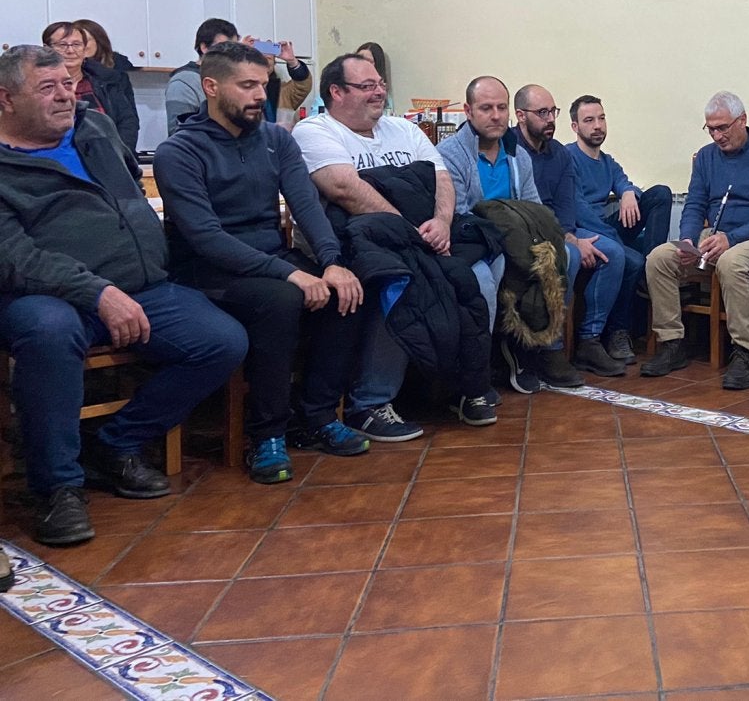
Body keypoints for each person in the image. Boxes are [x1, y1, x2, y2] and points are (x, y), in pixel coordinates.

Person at [0, 45, 246, 546]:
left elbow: (131, 187)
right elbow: (15, 257)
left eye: (68, 83)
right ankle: (57, 488)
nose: (66, 96)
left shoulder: (95, 127)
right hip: (43, 296)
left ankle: (116, 444)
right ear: (5, 99)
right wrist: (99, 292)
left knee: (222, 340)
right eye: (47, 88)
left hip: (139, 284)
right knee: (48, 332)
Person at [154, 41, 370, 484]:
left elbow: (306, 206)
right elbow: (207, 239)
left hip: (271, 259)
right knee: (279, 299)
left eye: (264, 84)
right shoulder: (179, 151)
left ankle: (317, 416)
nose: (259, 94)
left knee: (348, 288)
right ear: (210, 87)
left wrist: (330, 262)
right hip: (206, 272)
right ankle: (267, 435)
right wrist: (291, 272)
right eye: (247, 85)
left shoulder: (275, 139)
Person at [294, 53, 495, 437]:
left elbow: (442, 179)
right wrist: (411, 231)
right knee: (401, 281)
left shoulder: (403, 130)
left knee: (483, 274)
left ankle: (463, 386)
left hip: (423, 237)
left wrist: (442, 222)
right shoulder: (316, 131)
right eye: (367, 86)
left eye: (380, 85)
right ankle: (369, 403)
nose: (379, 92)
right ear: (336, 92)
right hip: (355, 246)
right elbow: (345, 189)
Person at [439, 77, 580, 390]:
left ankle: (538, 346)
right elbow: (457, 215)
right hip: (474, 244)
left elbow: (534, 209)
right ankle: (485, 363)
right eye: (486, 108)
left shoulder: (518, 156)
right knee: (490, 276)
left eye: (501, 108)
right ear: (468, 111)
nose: (495, 115)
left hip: (515, 238)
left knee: (566, 255)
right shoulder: (449, 155)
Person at [642, 91, 749, 389]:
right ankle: (672, 343)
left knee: (732, 262)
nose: (717, 136)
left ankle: (744, 352)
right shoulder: (707, 157)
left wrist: (732, 238)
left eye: (723, 127)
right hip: (715, 236)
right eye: (711, 129)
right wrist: (687, 240)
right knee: (659, 258)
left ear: (743, 120)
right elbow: (695, 204)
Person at [515, 84, 629, 378]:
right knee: (570, 257)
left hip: (560, 228)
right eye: (542, 113)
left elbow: (567, 205)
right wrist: (570, 240)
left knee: (614, 253)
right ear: (521, 116)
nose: (549, 119)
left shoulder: (558, 155)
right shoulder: (511, 149)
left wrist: (571, 236)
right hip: (523, 228)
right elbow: (528, 205)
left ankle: (589, 341)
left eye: (552, 111)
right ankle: (550, 349)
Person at [567, 94, 674, 363]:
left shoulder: (607, 161)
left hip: (606, 227)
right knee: (631, 258)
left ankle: (652, 268)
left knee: (661, 193)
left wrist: (628, 192)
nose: (597, 126)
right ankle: (617, 331)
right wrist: (614, 237)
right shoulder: (568, 158)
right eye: (589, 120)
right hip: (584, 229)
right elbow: (579, 210)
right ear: (575, 127)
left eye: (601, 118)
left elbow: (624, 181)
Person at [166, 18, 311, 133]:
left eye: (233, 46)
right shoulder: (184, 81)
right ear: (204, 47)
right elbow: (179, 131)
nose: (229, 52)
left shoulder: (273, 88)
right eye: (224, 46)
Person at [42, 21, 139, 154]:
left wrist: (121, 157)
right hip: (53, 162)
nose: (70, 50)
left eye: (76, 45)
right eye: (62, 45)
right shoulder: (36, 86)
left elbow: (127, 123)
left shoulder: (107, 82)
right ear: (47, 49)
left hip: (105, 161)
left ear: (84, 49)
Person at [356, 41, 395, 114]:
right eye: (358, 59)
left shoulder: (382, 93)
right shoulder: (348, 88)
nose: (362, 64)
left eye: (368, 61)